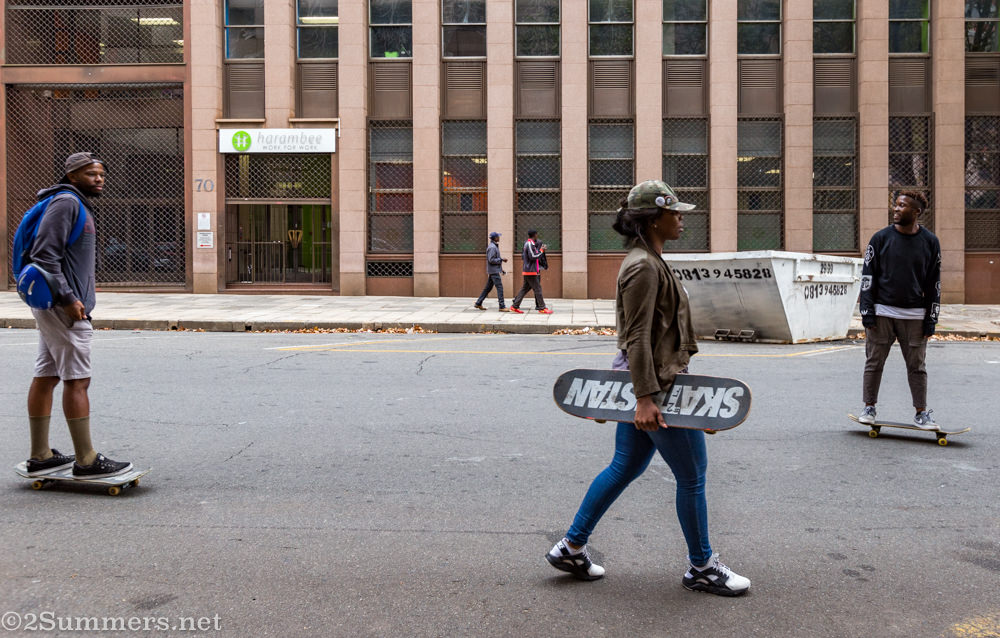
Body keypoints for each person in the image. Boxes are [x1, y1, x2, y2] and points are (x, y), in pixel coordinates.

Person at [545, 180, 751, 597]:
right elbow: (637, 336)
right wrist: (644, 398)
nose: (681, 219)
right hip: (656, 387)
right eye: (674, 212)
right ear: (653, 219)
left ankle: (571, 547)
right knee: (692, 476)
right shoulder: (642, 266)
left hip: (654, 382)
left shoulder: (651, 259)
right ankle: (702, 567)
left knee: (625, 467)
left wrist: (693, 405)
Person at [23, 152, 133, 479]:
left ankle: (40, 455)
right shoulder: (67, 203)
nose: (99, 179)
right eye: (90, 174)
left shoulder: (74, 203)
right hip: (64, 307)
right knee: (78, 380)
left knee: (47, 376)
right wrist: (69, 299)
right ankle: (86, 460)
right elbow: (45, 255)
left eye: (101, 174)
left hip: (57, 305)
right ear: (72, 176)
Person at [858, 191, 941, 430]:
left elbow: (934, 282)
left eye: (902, 205)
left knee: (917, 367)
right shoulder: (880, 238)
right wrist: (867, 311)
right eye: (896, 204)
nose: (896, 209)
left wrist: (931, 318)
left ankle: (921, 413)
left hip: (915, 316)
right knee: (874, 363)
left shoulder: (930, 242)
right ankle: (869, 407)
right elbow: (868, 276)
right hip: (882, 313)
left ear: (916, 212)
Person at [510, 230, 551, 314]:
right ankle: (542, 307)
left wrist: (540, 251)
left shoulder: (530, 244)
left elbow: (533, 254)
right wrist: (541, 251)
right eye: (537, 235)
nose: (537, 236)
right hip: (530, 270)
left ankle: (514, 306)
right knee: (538, 289)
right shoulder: (529, 244)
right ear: (535, 235)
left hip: (530, 270)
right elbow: (533, 256)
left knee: (525, 288)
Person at [473, 231, 509, 311]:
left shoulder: (494, 246)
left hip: (494, 270)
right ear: (495, 238)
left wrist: (501, 269)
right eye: (498, 236)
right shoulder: (492, 247)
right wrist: (501, 259)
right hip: (494, 271)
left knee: (488, 288)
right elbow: (491, 260)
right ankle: (502, 306)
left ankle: (478, 303)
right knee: (500, 288)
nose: (499, 238)